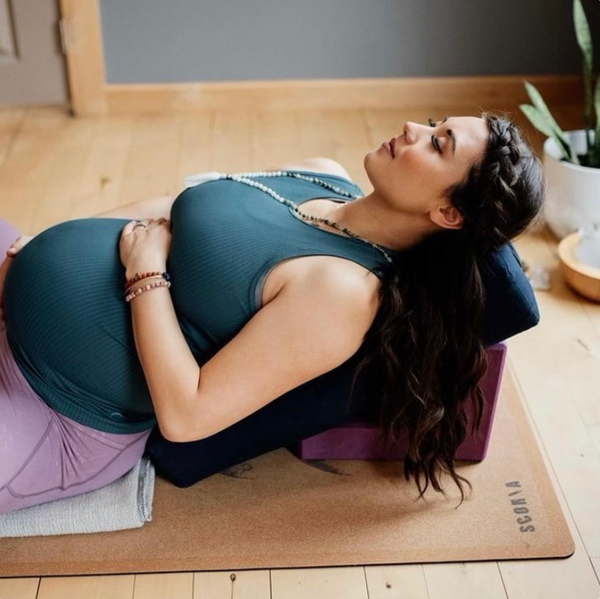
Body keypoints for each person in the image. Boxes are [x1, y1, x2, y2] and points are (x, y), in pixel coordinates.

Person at [0, 113, 544, 515]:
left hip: (56, 409)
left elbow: (187, 414)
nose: (410, 128)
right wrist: (41, 247)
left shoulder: (343, 294)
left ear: (447, 212)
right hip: (16, 289)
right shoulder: (320, 174)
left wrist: (146, 273)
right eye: (432, 123)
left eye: (437, 143)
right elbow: (170, 206)